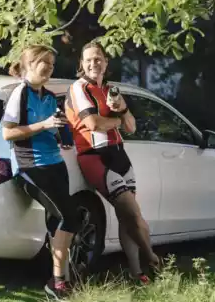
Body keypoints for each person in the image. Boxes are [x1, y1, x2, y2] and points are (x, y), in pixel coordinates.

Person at [64, 40, 160, 284]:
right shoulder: (78, 88)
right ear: (82, 65)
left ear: (106, 63)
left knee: (129, 216)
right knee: (131, 211)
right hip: (94, 156)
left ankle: (137, 272)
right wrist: (117, 121)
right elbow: (93, 124)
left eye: (98, 59)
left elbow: (132, 126)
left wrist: (123, 108)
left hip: (119, 154)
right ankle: (153, 259)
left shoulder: (111, 90)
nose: (94, 63)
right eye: (89, 60)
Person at [1, 45, 80, 301]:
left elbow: (55, 127)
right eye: (44, 62)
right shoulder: (20, 94)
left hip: (56, 163)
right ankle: (57, 282)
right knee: (70, 216)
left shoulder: (49, 96)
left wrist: (62, 134)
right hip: (31, 167)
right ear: (30, 64)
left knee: (56, 222)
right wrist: (43, 124)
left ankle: (61, 281)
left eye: (52, 63)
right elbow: (8, 133)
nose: (49, 67)